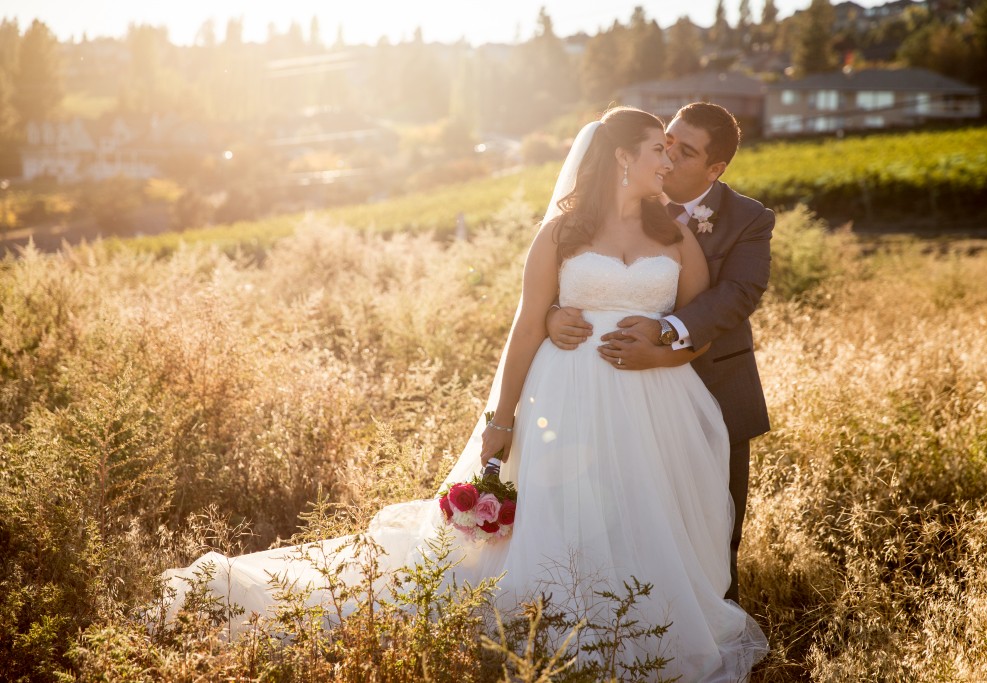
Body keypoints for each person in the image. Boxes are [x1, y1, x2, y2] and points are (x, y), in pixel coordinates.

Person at [162, 106, 767, 680]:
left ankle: (641, 628)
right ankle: (557, 630)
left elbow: (702, 329)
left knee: (643, 514)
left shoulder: (678, 236)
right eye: (657, 151)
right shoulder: (561, 233)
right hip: (566, 398)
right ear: (620, 160)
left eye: (674, 151)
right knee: (565, 517)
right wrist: (499, 422)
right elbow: (526, 326)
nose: (667, 162)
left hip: (653, 403)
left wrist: (655, 354)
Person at [546, 102, 774, 603]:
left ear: (715, 169)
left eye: (685, 152)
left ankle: (705, 631)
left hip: (712, 386)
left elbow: (737, 295)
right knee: (607, 517)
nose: (668, 156)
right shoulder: (610, 202)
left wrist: (665, 332)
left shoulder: (748, 220)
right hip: (601, 393)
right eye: (666, 140)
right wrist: (551, 315)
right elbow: (559, 278)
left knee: (710, 525)